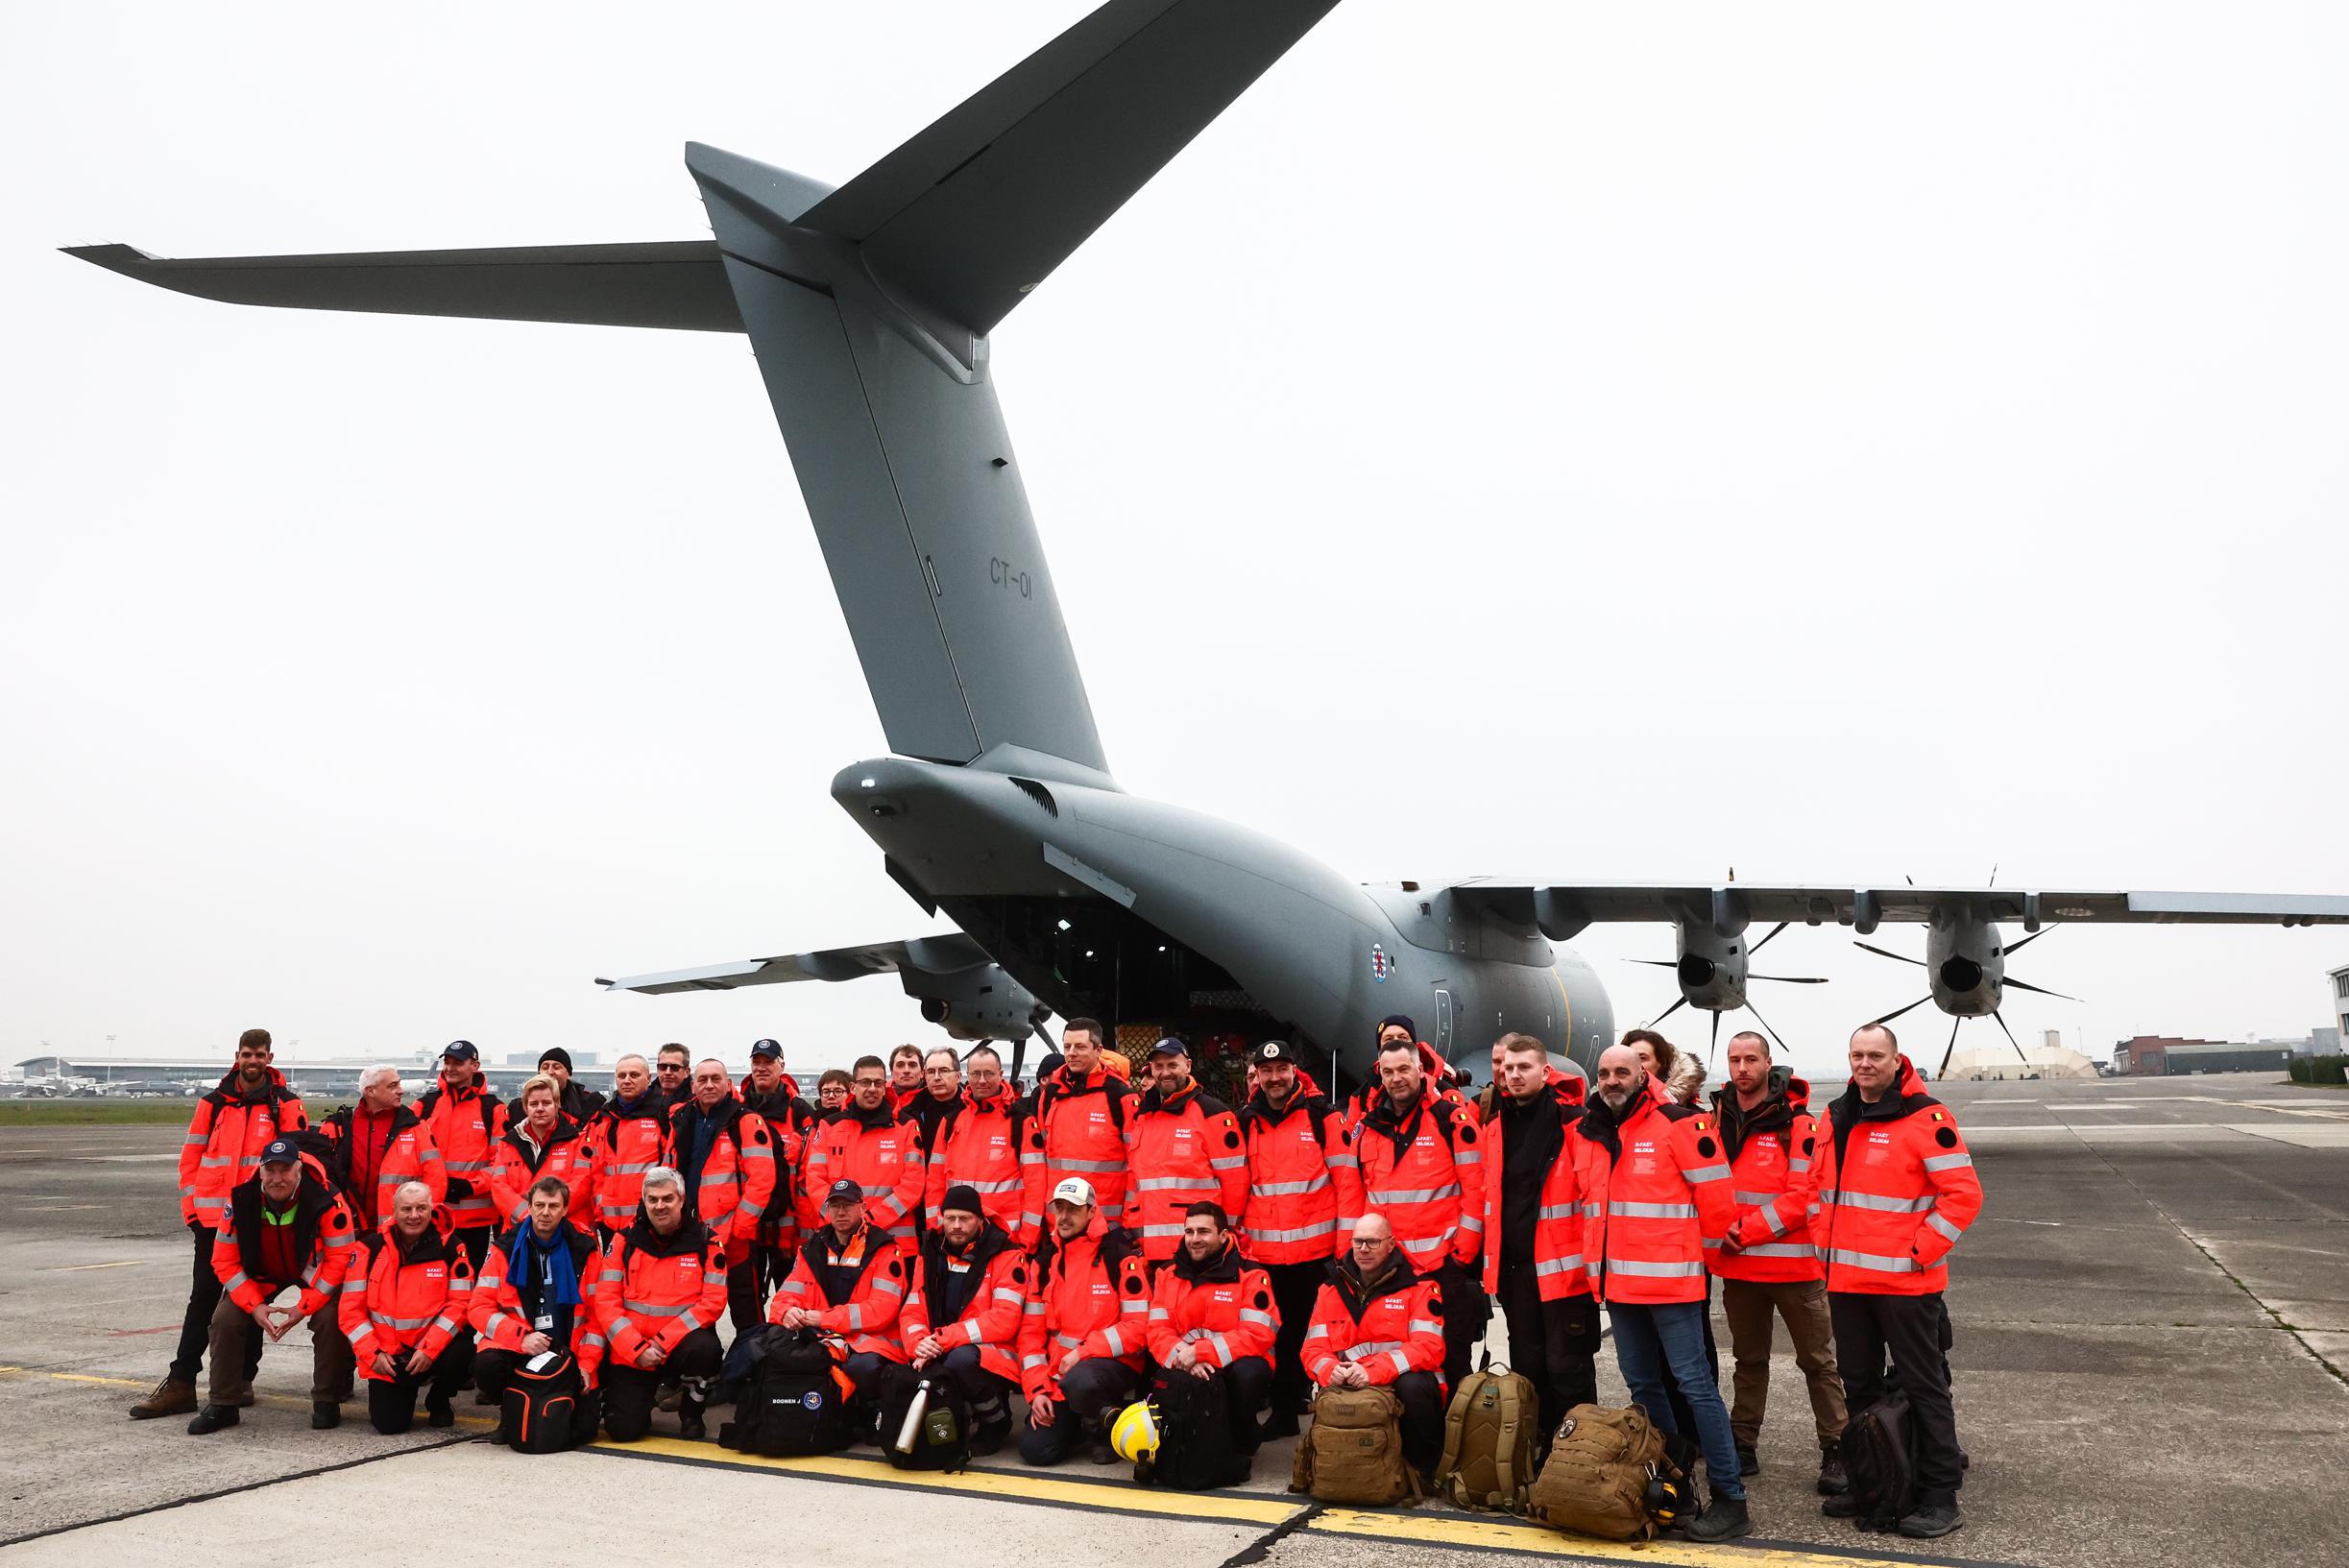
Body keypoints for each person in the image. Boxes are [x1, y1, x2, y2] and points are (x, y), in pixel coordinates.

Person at [1812, 1025, 1982, 1540]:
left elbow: (1963, 1194)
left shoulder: (1925, 1118)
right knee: (1859, 1386)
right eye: (1857, 1055)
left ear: (1896, 1060)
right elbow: (1822, 1195)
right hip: (1846, 1284)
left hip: (1906, 1286)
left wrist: (1918, 1251)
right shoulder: (1836, 1116)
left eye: (1875, 1056)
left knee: (1923, 1388)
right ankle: (1876, 1482)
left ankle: (1939, 1494)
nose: (1865, 1064)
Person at [1574, 1045, 1749, 1542]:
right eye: (1604, 1073)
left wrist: (1703, 1267)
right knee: (1644, 1389)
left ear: (1642, 1073)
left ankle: (1731, 1496)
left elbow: (1719, 1201)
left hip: (1673, 1286)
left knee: (1696, 1388)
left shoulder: (1679, 1124)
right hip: (1622, 1290)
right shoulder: (1595, 1131)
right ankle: (1679, 1487)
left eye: (1622, 1072)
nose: (1611, 1080)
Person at [135, 1027, 307, 1421]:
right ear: (237, 1055)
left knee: (250, 1298)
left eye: (260, 1054)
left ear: (269, 1057)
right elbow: (190, 1158)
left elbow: (297, 1165)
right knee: (203, 1302)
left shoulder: (286, 1105)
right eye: (247, 1053)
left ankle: (242, 1379)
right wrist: (192, 1212)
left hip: (261, 1222)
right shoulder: (211, 1105)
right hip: (212, 1222)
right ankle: (181, 1382)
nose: (253, 1061)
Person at [1709, 1031, 1847, 1493]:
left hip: (1794, 1272)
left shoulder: (1799, 1124)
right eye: (1734, 1060)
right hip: (1740, 1272)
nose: (1742, 1068)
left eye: (1751, 1059)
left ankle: (1837, 1448)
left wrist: (1743, 1231)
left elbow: (1803, 1196)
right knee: (1748, 1361)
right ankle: (1743, 1444)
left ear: (1769, 1063)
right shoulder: (1718, 1120)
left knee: (1819, 1364)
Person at [185, 1135, 358, 1434]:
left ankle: (327, 1400)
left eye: (285, 1170)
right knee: (225, 1318)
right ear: (261, 1171)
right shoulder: (240, 1199)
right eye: (271, 1170)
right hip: (262, 1272)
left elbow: (341, 1258)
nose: (277, 1178)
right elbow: (224, 1261)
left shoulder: (328, 1198)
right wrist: (255, 1306)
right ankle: (224, 1403)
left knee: (331, 1316)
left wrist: (305, 1307)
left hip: (309, 1270)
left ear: (299, 1170)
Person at [1478, 1032, 1599, 1449]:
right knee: (1527, 1367)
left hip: (1565, 1275)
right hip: (1514, 1273)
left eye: (1523, 1067)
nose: (1513, 1075)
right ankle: (1535, 1449)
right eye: (1507, 1068)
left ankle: (1576, 1453)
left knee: (1568, 1369)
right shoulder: (1494, 1126)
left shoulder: (1574, 1123)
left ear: (1545, 1072)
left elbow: (1593, 1197)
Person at [1235, 1040, 1360, 1438]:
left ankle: (1331, 1410)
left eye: (1281, 1070)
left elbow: (1347, 1184)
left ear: (1294, 1072)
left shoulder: (1323, 1117)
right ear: (1259, 1075)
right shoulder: (1245, 1122)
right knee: (1278, 1335)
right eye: (1267, 1071)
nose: (1274, 1078)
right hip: (1265, 1254)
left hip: (1316, 1254)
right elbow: (1238, 1188)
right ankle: (1285, 1412)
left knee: (1319, 1334)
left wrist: (1345, 1250)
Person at [1351, 1035, 1487, 1389]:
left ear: (1419, 1069)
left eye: (1404, 1069)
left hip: (1443, 1265)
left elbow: (1476, 1188)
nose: (1397, 1078)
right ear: (1379, 1076)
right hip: (1389, 1268)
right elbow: (1359, 1196)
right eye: (1388, 1072)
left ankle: (1455, 1438)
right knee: (1395, 1355)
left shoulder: (1450, 1118)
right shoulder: (1368, 1127)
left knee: (1453, 1356)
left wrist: (1463, 1254)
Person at [1302, 1213, 1447, 1481]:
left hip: (1400, 1382)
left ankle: (1421, 1471)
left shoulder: (1421, 1286)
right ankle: (1340, 1470)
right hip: (1348, 1379)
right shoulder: (1331, 1289)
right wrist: (1330, 1370)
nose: (1364, 1250)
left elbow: (1429, 1347)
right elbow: (1313, 1347)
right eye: (1358, 1242)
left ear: (1391, 1244)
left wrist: (1372, 1371)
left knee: (1414, 1386)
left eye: (1372, 1242)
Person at [1018, 1176, 1151, 1465]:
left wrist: (1084, 1351)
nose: (1063, 1217)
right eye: (1059, 1208)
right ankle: (1078, 1423)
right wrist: (1037, 1390)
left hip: (1108, 1369)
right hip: (1059, 1376)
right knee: (1036, 1451)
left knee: (1083, 1381)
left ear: (1092, 1211)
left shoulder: (1119, 1257)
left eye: (1073, 1209)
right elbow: (1031, 1337)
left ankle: (1103, 1429)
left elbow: (1139, 1328)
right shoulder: (1043, 1263)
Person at [593, 1167, 729, 1441]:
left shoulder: (707, 1241)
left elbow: (713, 1303)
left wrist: (662, 1342)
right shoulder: (623, 1241)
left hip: (678, 1346)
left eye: (667, 1199)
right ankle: (634, 1398)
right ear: (643, 1201)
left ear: (681, 1200)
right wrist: (635, 1347)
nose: (659, 1206)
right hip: (633, 1351)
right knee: (623, 1430)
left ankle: (691, 1413)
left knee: (707, 1349)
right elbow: (606, 1301)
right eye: (652, 1199)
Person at [901, 1184, 1029, 1455]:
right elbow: (913, 1308)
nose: (957, 1225)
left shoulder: (1006, 1255)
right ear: (942, 1218)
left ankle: (995, 1421)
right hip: (940, 1344)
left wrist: (940, 1340)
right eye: (950, 1218)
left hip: (991, 1351)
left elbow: (1005, 1320)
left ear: (980, 1220)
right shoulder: (931, 1252)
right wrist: (918, 1343)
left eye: (965, 1219)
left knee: (962, 1360)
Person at [341, 1179, 477, 1434]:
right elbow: (350, 1312)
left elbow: (461, 1305)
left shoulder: (450, 1247)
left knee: (464, 1350)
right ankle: (403, 1391)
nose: (414, 1216)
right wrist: (373, 1355)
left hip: (431, 1352)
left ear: (431, 1209)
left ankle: (439, 1398)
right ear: (394, 1212)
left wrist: (429, 1349)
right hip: (387, 1356)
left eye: (421, 1208)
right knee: (390, 1426)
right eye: (406, 1209)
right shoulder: (368, 1249)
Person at [1144, 1202, 1277, 1460]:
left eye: (1203, 1232)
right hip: (1185, 1365)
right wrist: (1186, 1358)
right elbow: (1157, 1330)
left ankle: (1241, 1431)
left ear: (1223, 1235)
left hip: (1233, 1365)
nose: (1195, 1239)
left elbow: (1259, 1333)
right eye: (1189, 1232)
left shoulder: (1251, 1275)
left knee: (1252, 1374)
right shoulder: (1166, 1274)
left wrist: (1202, 1353)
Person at [771, 1179, 914, 1414]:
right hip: (826, 1337)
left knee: (863, 1366)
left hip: (871, 1340)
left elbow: (882, 1310)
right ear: (827, 1210)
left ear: (863, 1207)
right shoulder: (812, 1248)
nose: (840, 1212)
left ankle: (871, 1413)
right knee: (772, 1348)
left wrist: (821, 1319)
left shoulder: (885, 1249)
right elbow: (786, 1294)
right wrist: (787, 1312)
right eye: (835, 1206)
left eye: (847, 1205)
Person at [669, 1057, 780, 1339]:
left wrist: (740, 1229)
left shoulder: (744, 1121)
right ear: (692, 1084)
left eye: (716, 1079)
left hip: (735, 1236)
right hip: (690, 1233)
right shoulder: (682, 1120)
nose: (709, 1085)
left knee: (746, 1309)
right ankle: (704, 1367)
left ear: (728, 1084)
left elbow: (763, 1179)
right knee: (694, 1305)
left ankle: (751, 1365)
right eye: (702, 1079)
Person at [472, 1174, 603, 1408]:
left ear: (565, 1210)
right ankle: (511, 1404)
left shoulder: (584, 1250)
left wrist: (587, 1364)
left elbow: (597, 1315)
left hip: (570, 1347)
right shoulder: (505, 1249)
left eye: (553, 1206)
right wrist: (521, 1339)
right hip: (521, 1344)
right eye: (539, 1205)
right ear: (529, 1208)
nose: (545, 1212)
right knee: (487, 1365)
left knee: (584, 1429)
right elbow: (478, 1308)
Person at [1124, 1039, 1247, 1263]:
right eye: (1158, 1067)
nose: (1165, 1072)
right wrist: (1131, 1228)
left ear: (1188, 1066)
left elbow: (1235, 1181)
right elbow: (1135, 1180)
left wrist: (1224, 1234)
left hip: (1198, 1249)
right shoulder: (1143, 1117)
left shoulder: (1212, 1113)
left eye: (1172, 1065)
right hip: (1150, 1248)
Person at [803, 1056, 927, 1244]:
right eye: (865, 1082)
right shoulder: (829, 1126)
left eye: (878, 1083)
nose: (872, 1089)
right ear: (853, 1087)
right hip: (838, 1238)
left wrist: (870, 1221)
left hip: (894, 1240)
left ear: (885, 1087)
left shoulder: (906, 1126)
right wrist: (841, 1220)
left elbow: (913, 1186)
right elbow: (814, 1180)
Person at [1026, 1019, 1135, 1228]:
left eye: (1080, 1046)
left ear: (1098, 1050)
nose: (1071, 1053)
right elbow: (1043, 1159)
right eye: (1067, 1046)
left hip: (1105, 1222)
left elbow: (1136, 1166)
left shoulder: (1120, 1095)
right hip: (1059, 1220)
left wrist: (1130, 1220)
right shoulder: (1051, 1094)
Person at [410, 1041, 506, 1269]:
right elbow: (408, 1158)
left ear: (475, 1065)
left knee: (468, 1282)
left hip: (475, 1220)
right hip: (431, 1216)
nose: (450, 1068)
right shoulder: (424, 1106)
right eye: (447, 1062)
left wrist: (470, 1186)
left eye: (458, 1063)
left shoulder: (493, 1109)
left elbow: (502, 1162)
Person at [319, 1065, 446, 1233]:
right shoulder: (339, 1126)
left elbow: (435, 1177)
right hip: (351, 1227)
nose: (401, 1091)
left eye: (399, 1084)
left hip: (400, 1228)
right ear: (371, 1091)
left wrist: (423, 1219)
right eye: (393, 1086)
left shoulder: (415, 1127)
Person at [925, 1045, 1032, 1242]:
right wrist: (936, 1228)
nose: (981, 1080)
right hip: (956, 1235)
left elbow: (1035, 1185)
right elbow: (935, 1182)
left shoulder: (1021, 1121)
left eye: (988, 1074)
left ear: (1000, 1074)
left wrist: (1028, 1240)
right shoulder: (951, 1121)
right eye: (975, 1074)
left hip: (1005, 1237)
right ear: (966, 1075)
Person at [739, 1038, 818, 1284]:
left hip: (788, 1229)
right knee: (747, 1303)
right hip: (746, 1225)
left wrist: (803, 1228)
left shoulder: (801, 1112)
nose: (761, 1068)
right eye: (757, 1062)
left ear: (781, 1066)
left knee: (792, 1299)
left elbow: (809, 1174)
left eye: (768, 1062)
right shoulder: (736, 1110)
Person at [490, 1073, 598, 1235]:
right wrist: (528, 1216)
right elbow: (499, 1187)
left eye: (546, 1103)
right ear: (525, 1108)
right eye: (534, 1104)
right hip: (519, 1232)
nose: (540, 1109)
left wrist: (549, 1217)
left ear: (557, 1105)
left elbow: (582, 1184)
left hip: (567, 1232)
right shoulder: (508, 1143)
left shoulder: (577, 1141)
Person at [587, 1054, 671, 1238]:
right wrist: (600, 1209)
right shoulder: (604, 1118)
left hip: (650, 1222)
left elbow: (672, 1169)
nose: (627, 1080)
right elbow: (596, 1170)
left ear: (648, 1079)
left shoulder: (663, 1115)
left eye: (634, 1075)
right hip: (609, 1223)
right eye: (622, 1076)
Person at [908, 1046, 964, 1150]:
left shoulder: (974, 1109)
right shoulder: (911, 1112)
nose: (937, 1077)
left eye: (944, 1071)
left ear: (958, 1076)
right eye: (931, 1072)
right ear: (924, 1075)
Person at [537, 1047, 607, 1124]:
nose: (550, 1072)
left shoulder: (590, 1105)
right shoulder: (523, 1106)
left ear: (568, 1074)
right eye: (545, 1068)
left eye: (556, 1067)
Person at [887, 1044, 927, 1113]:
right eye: (900, 1065)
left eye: (912, 1065)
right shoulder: (880, 1098)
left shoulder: (934, 1100)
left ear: (922, 1073)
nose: (906, 1070)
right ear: (892, 1072)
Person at [653, 1043, 692, 1109]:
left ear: (687, 1072)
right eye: (663, 1067)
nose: (667, 1072)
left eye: (674, 1067)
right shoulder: (646, 1100)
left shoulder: (696, 1103)